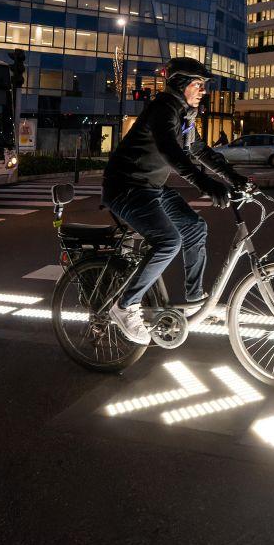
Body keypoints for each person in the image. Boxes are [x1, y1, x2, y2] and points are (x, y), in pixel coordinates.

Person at [101, 57, 251, 344]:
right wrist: (206, 184)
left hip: (151, 187)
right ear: (181, 84)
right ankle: (125, 306)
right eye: (198, 84)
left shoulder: (184, 114)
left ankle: (194, 301)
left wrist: (234, 178)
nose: (203, 90)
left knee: (195, 227)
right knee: (169, 241)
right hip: (126, 187)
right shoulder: (163, 109)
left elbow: (199, 150)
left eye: (204, 85)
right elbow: (172, 153)